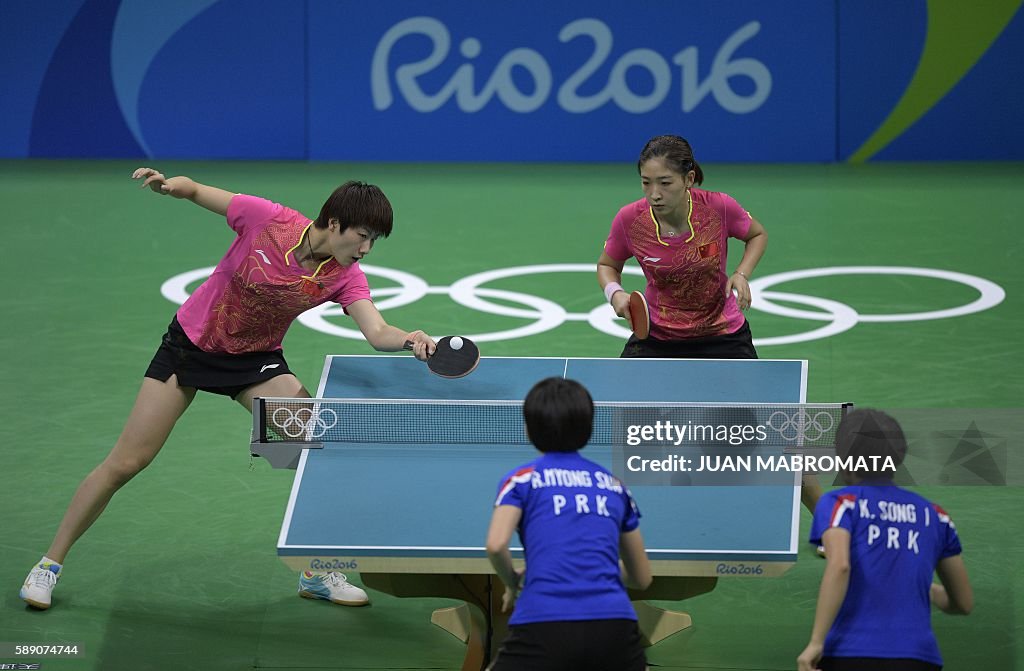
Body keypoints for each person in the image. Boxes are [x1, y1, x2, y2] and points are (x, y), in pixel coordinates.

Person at [19, 168, 436, 610]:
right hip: (191, 347)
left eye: (375, 240)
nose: (367, 249)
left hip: (255, 362)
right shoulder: (268, 220)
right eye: (363, 235)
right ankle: (48, 565)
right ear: (334, 223)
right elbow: (201, 192)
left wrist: (410, 338)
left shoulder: (344, 276)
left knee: (312, 457)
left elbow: (377, 331)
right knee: (127, 462)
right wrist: (175, 187)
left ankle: (318, 570)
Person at [595, 134, 823, 516]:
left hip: (722, 334)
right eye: (646, 183)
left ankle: (833, 525)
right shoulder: (630, 220)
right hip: (657, 337)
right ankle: (609, 519)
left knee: (775, 433)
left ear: (688, 178)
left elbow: (757, 234)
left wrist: (741, 274)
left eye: (664, 183)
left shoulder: (718, 208)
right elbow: (607, 266)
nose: (654, 193)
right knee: (622, 431)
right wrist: (616, 295)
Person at [485, 378, 652, 671]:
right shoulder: (615, 486)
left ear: (528, 429)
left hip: (543, 624)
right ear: (589, 428)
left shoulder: (521, 480)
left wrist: (513, 582)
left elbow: (497, 545)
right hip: (614, 628)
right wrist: (589, 571)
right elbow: (641, 578)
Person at [797, 409, 973, 671]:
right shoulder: (936, 515)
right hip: (920, 658)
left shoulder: (840, 504)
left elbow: (840, 565)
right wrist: (929, 589)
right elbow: (963, 603)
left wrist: (816, 642)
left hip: (851, 653)